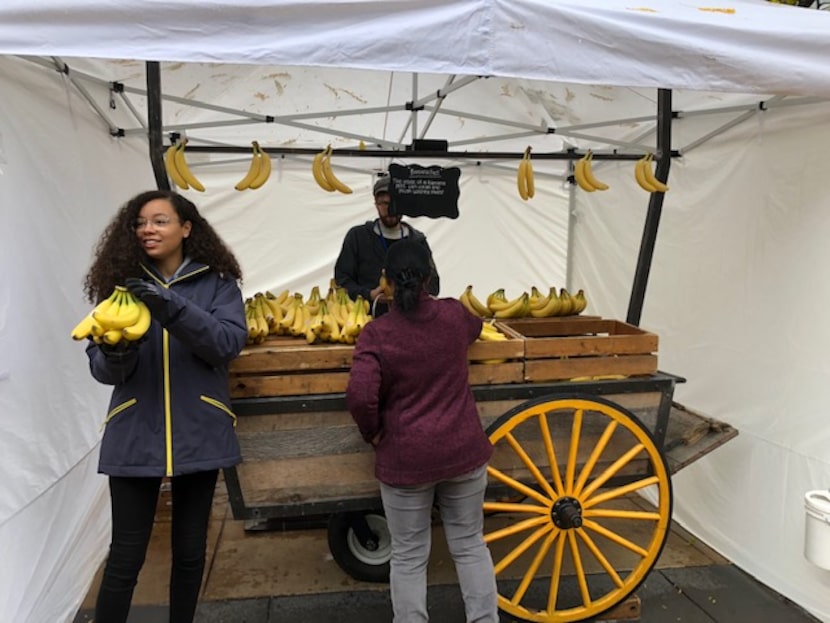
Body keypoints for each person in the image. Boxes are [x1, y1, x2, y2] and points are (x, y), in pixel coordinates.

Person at [81, 189, 247, 623]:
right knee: (125, 556)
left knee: (190, 552)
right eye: (139, 223)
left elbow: (226, 344)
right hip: (135, 430)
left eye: (159, 221)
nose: (146, 230)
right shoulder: (121, 284)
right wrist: (117, 352)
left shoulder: (219, 283)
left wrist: (170, 307)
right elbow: (102, 370)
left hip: (201, 428)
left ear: (186, 228)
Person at [345, 239, 498, 623]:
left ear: (387, 283)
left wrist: (373, 433)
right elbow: (477, 327)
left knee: (410, 556)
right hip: (464, 453)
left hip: (406, 460)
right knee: (469, 546)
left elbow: (360, 395)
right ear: (430, 276)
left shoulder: (377, 334)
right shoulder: (454, 316)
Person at [334, 174, 440, 315]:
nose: (390, 209)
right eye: (384, 203)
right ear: (376, 204)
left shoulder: (417, 241)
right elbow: (342, 280)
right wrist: (369, 294)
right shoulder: (358, 237)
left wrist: (409, 294)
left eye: (395, 203)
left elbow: (433, 284)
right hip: (364, 320)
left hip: (409, 320)